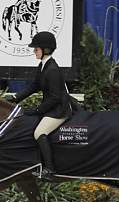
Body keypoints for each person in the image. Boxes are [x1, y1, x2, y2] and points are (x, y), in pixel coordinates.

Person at [5, 31, 72, 180]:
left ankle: (50, 170)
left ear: (45, 50)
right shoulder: (43, 66)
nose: (34, 51)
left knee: (39, 132)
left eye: (36, 49)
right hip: (51, 107)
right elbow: (34, 86)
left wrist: (36, 110)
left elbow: (55, 98)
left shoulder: (53, 70)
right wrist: (16, 98)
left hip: (59, 110)